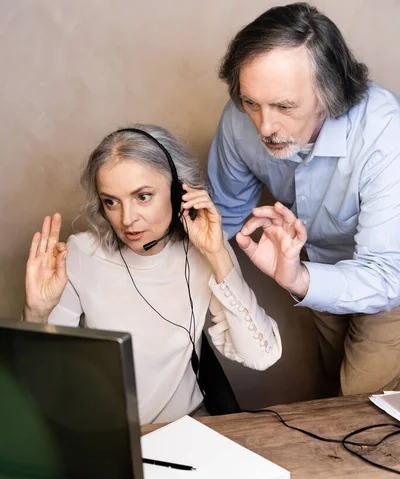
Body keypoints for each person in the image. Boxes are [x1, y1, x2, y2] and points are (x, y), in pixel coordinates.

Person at [23, 125, 282, 424]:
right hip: (108, 433)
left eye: (143, 196)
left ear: (178, 191)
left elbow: (262, 356)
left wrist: (216, 254)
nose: (127, 219)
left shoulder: (205, 251)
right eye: (111, 201)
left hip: (189, 426)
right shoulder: (80, 253)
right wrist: (36, 312)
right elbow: (40, 385)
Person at [208, 2, 400, 396]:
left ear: (330, 96)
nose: (264, 126)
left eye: (284, 106)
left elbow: (386, 276)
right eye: (251, 103)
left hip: (389, 276)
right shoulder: (238, 118)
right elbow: (222, 214)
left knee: (362, 406)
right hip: (318, 264)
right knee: (330, 390)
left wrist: (297, 278)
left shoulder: (384, 131)